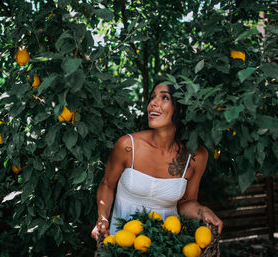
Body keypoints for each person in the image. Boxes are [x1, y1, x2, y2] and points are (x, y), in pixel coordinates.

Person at [91, 79, 223, 240]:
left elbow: (186, 203)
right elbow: (107, 185)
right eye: (152, 97)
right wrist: (102, 217)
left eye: (164, 98)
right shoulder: (127, 146)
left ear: (181, 109)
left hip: (166, 247)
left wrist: (203, 211)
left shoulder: (195, 157)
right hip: (122, 243)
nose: (153, 103)